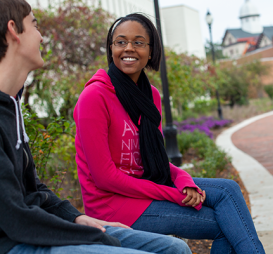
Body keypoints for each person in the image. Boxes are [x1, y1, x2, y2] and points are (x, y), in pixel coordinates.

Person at [0, 1, 191, 253]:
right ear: (14, 30)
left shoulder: (12, 104)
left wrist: (76, 217)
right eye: (34, 25)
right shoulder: (94, 95)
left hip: (36, 227)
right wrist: (85, 234)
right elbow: (13, 216)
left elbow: (34, 190)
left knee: (175, 249)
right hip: (14, 242)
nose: (42, 36)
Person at [74, 13, 266, 254]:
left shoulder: (151, 95)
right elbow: (105, 178)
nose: (128, 48)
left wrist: (184, 182)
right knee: (227, 224)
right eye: (120, 42)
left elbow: (155, 160)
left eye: (138, 42)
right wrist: (172, 193)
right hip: (113, 206)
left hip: (143, 189)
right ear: (110, 48)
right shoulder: (94, 97)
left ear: (151, 51)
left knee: (228, 190)